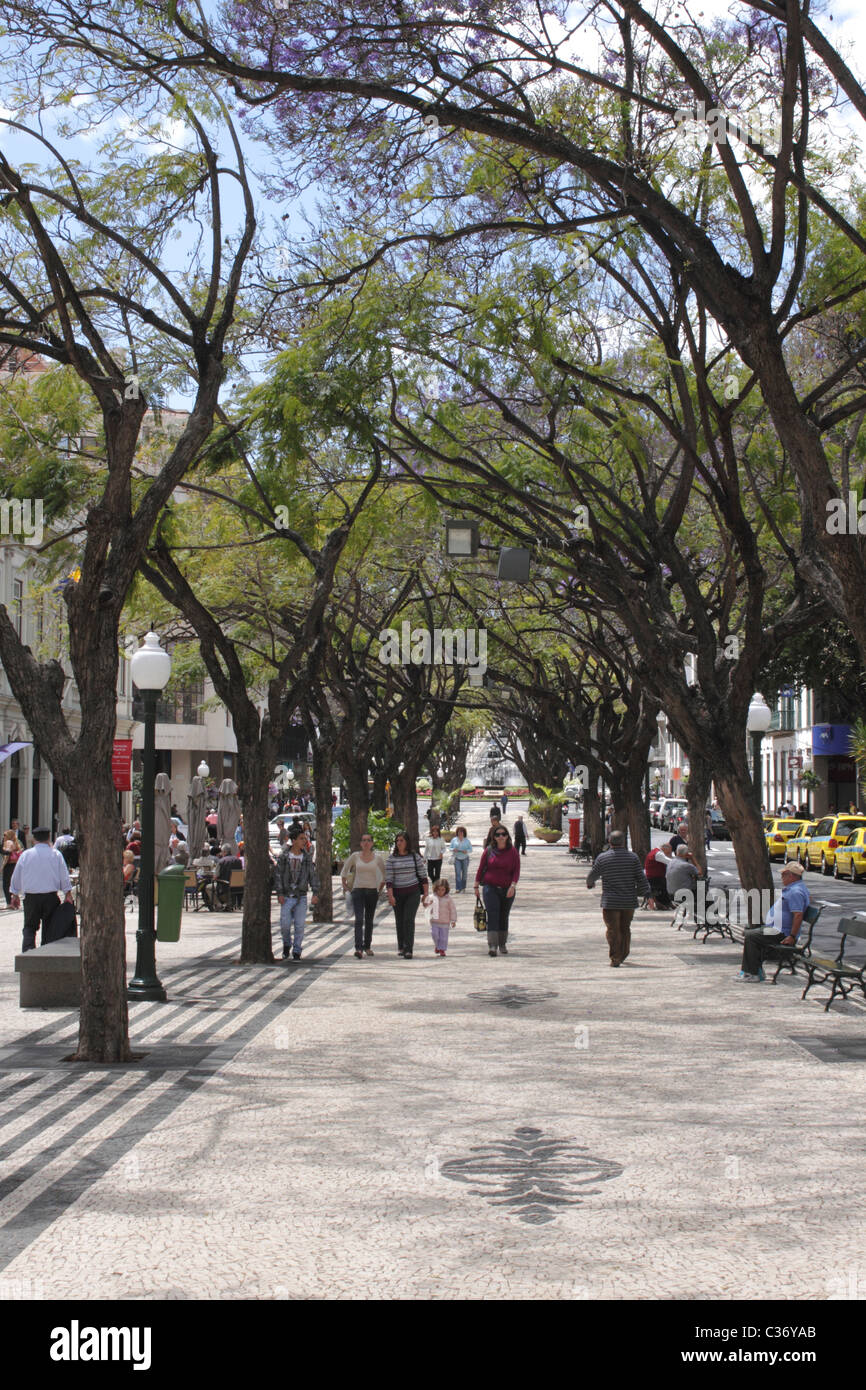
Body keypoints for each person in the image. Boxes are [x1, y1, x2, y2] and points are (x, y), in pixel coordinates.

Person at [586, 829, 651, 967]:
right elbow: (641, 878)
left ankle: (615, 957)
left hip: (610, 901)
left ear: (609, 841)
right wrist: (647, 894)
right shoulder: (633, 858)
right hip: (628, 901)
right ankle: (623, 952)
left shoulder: (603, 858)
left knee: (612, 929)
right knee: (625, 928)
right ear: (623, 842)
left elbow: (593, 875)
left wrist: (590, 884)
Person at [737, 863, 810, 982]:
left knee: (751, 936)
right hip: (776, 928)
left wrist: (791, 936)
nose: (782, 878)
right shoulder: (794, 889)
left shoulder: (796, 892)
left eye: (784, 875)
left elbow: (798, 915)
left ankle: (752, 973)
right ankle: (755, 970)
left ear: (791, 876)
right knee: (750, 933)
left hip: (782, 932)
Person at [9, 827, 74, 952]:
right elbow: (64, 876)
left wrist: (15, 894)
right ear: (49, 838)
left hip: (31, 897)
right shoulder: (56, 855)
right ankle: (47, 951)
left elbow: (16, 875)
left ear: (34, 839)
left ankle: (28, 952)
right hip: (50, 896)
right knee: (50, 926)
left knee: (29, 927)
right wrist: (67, 893)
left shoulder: (26, 855)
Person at [274, 826, 320, 959]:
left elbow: (312, 875)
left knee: (300, 925)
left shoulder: (306, 858)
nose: (304, 841)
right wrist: (280, 893)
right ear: (293, 841)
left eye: (305, 839)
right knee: (285, 924)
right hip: (287, 895)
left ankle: (297, 949)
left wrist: (315, 893)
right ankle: (286, 943)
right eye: (301, 839)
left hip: (301, 896)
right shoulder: (284, 857)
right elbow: (278, 875)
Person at [475, 826, 520, 957]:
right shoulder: (489, 851)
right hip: (490, 888)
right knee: (493, 915)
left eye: (503, 834)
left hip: (507, 889)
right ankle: (492, 945)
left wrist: (513, 886)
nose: (501, 837)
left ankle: (502, 943)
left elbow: (516, 870)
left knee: (503, 916)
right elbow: (481, 868)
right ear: (494, 837)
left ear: (507, 836)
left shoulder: (513, 852)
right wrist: (476, 886)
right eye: (498, 835)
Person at [385, 831, 430, 959]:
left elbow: (423, 876)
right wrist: (390, 896)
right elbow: (389, 879)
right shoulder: (391, 859)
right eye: (397, 841)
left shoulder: (414, 857)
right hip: (397, 893)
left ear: (407, 842)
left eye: (401, 840)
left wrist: (425, 894)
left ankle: (408, 948)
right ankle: (401, 946)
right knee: (399, 920)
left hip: (412, 892)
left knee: (408, 920)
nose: (399, 843)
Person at [341, 833, 385, 958]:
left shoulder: (377, 858)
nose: (366, 843)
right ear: (361, 843)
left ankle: (367, 946)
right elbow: (344, 870)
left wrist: (379, 889)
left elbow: (385, 875)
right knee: (359, 919)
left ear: (372, 843)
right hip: (358, 891)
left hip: (372, 891)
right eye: (364, 840)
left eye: (368, 840)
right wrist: (346, 886)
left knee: (369, 920)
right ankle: (358, 948)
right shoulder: (355, 856)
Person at [203, 841, 244, 912]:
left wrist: (213, 878)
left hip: (224, 886)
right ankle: (227, 903)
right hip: (238, 887)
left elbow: (215, 876)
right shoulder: (238, 860)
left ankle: (218, 904)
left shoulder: (221, 861)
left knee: (208, 887)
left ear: (224, 852)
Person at [429, 877, 457, 956]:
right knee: (434, 934)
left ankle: (442, 949)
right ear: (435, 889)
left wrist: (453, 920)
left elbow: (452, 909)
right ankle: (437, 945)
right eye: (438, 890)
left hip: (445, 922)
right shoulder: (432, 897)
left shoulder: (448, 899)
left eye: (442, 890)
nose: (440, 892)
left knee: (443, 938)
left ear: (446, 890)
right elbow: (428, 907)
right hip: (435, 921)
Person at [644, 842, 674, 909]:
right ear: (665, 849)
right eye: (669, 851)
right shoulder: (658, 854)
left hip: (655, 876)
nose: (670, 853)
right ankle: (662, 902)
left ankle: (667, 902)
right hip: (653, 877)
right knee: (664, 883)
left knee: (666, 881)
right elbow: (670, 862)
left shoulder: (657, 851)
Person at [2, 823, 23, 908]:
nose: (4, 837)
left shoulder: (8, 842)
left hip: (9, 866)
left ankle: (9, 903)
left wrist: (2, 866)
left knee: (6, 885)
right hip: (15, 865)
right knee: (13, 884)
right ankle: (16, 901)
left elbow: (6, 855)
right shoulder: (17, 842)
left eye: (5, 835)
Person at [448, 825, 473, 891]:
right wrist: (453, 849)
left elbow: (471, 849)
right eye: (459, 832)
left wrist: (466, 851)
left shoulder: (467, 840)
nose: (460, 833)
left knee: (464, 874)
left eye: (462, 832)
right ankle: (458, 888)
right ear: (457, 832)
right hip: (457, 858)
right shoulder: (454, 840)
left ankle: (463, 887)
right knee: (458, 873)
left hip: (465, 858)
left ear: (464, 833)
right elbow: (450, 848)